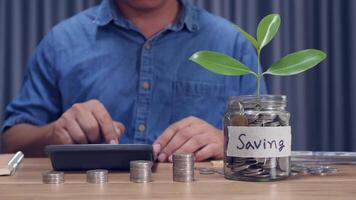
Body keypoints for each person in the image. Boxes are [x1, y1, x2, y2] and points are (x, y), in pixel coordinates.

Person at [1, 0, 266, 161]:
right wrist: (54, 133)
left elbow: (269, 143)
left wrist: (227, 141)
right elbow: (11, 140)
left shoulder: (232, 44)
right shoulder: (62, 41)